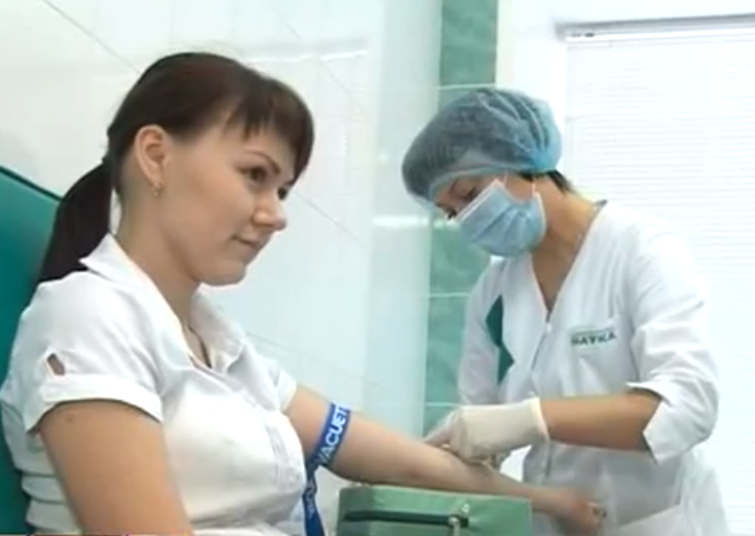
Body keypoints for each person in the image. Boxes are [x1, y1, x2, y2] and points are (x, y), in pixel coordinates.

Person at [0, 53, 603, 536]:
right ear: (156, 156)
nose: (275, 214)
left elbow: (395, 459)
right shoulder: (88, 315)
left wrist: (550, 502)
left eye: (282, 190)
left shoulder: (227, 351)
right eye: (254, 175)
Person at [401, 87, 729, 536]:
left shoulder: (641, 250)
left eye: (470, 194)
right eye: (451, 212)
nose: (468, 218)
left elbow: (689, 406)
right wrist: (428, 460)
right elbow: (480, 435)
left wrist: (531, 419)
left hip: (659, 524)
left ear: (523, 161)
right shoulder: (492, 294)